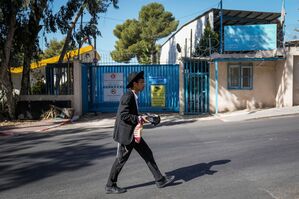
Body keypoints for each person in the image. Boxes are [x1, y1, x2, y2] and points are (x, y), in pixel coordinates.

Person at [105, 71, 175, 194]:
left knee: (147, 153)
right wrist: (139, 118)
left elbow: (133, 114)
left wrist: (145, 117)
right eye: (142, 82)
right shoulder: (128, 96)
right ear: (135, 84)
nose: (144, 84)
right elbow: (124, 115)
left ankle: (160, 180)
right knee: (121, 160)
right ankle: (110, 185)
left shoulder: (134, 96)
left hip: (134, 133)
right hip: (126, 135)